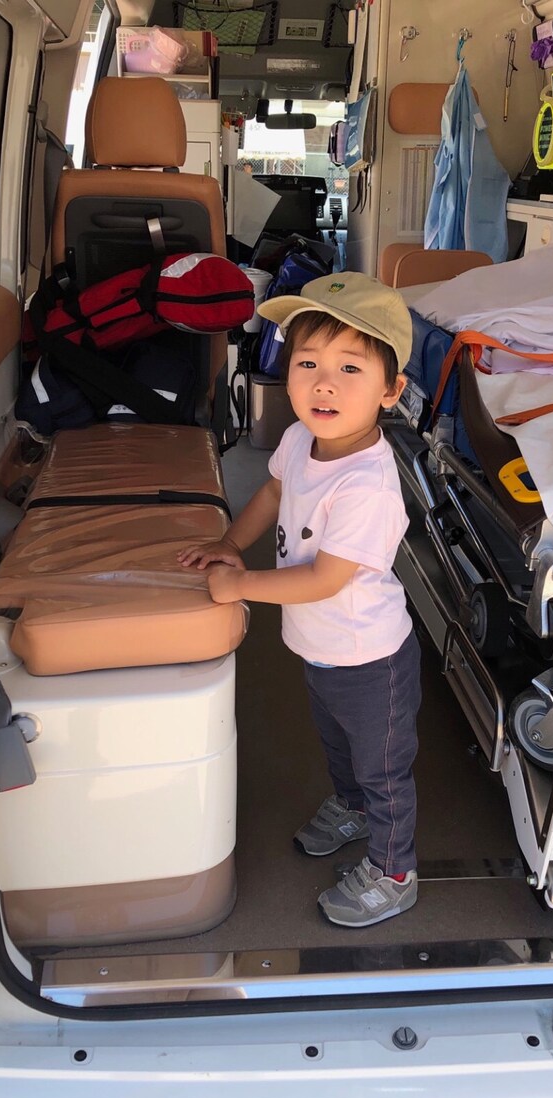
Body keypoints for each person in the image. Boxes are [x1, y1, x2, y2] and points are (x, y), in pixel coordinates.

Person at [177, 271, 421, 927]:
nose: (324, 384)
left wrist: (241, 584)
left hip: (372, 660)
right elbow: (273, 493)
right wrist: (231, 544)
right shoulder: (298, 440)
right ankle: (351, 807)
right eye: (307, 362)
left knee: (383, 771)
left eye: (350, 368)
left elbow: (323, 580)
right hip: (321, 649)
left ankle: (395, 872)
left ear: (391, 390)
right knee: (339, 748)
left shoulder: (368, 485)